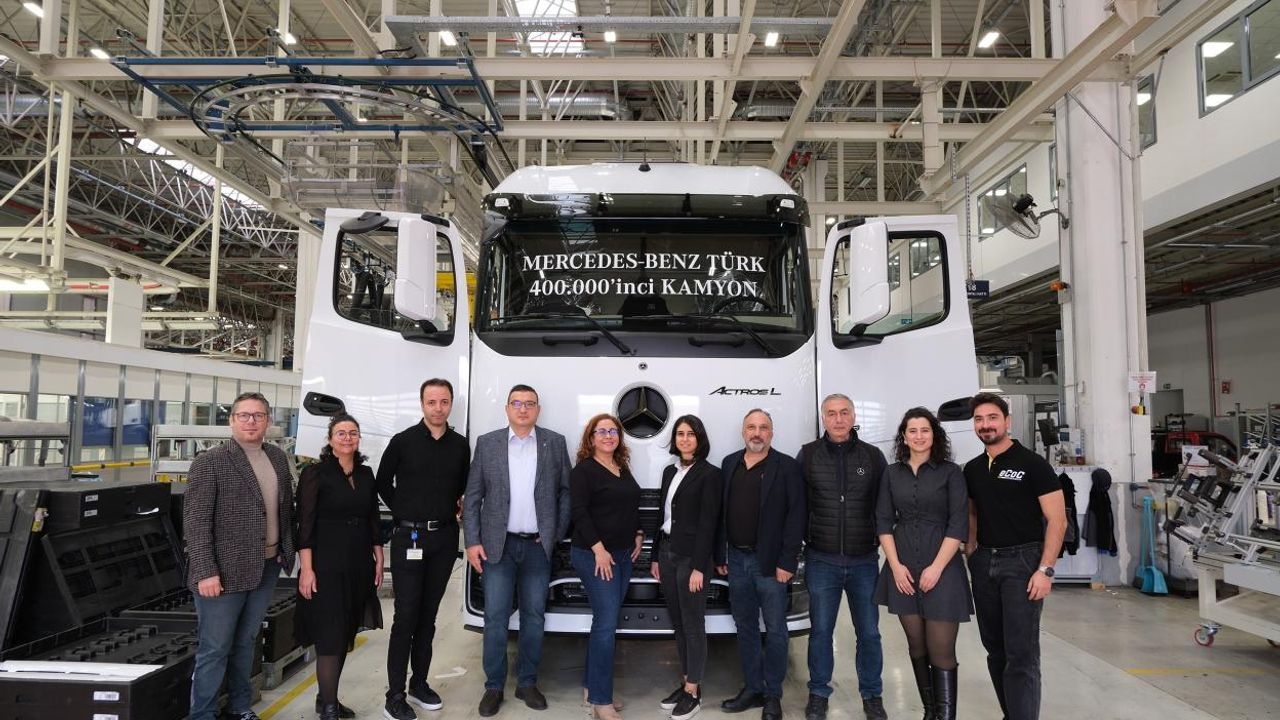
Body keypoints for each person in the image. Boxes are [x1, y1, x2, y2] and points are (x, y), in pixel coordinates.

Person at [463, 384, 572, 717]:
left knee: (534, 617)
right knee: (495, 618)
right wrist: (472, 541)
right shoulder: (488, 443)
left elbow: (566, 492)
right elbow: (473, 497)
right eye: (517, 403)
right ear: (507, 408)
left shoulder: (554, 443)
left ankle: (527, 682)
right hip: (498, 546)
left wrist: (555, 534)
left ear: (538, 409)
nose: (523, 409)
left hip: (538, 547)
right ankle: (494, 686)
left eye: (529, 404)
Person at [184, 392, 296, 720]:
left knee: (246, 641)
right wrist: (205, 570)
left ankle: (239, 707)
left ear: (268, 421)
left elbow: (283, 510)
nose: (251, 421)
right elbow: (196, 521)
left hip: (266, 566)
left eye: (258, 415)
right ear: (231, 420)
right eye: (244, 415)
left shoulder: (277, 458)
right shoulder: (211, 461)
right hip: (223, 571)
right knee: (215, 647)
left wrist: (285, 549)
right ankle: (202, 714)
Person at [964, 393, 1067, 720]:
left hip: (1022, 563)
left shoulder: (1033, 464)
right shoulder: (973, 469)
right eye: (979, 420)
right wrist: (971, 550)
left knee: (1021, 654)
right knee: (995, 650)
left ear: (1007, 421)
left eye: (992, 418)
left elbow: (1058, 520)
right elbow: (972, 514)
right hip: (985, 563)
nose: (986, 425)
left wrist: (1045, 569)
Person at [377, 378, 471, 720]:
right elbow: (381, 482)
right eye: (432, 402)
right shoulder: (402, 441)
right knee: (406, 617)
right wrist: (405, 510)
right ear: (422, 404)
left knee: (428, 617)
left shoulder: (460, 446)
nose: (438, 408)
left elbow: (463, 486)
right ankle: (394, 695)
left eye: (444, 402)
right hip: (408, 539)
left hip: (443, 540)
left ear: (450, 405)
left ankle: (419, 683)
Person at [874, 408, 973, 720]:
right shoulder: (892, 473)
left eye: (925, 430)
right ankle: (930, 712)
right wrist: (895, 566)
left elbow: (958, 524)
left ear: (934, 435)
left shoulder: (951, 472)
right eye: (912, 431)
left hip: (942, 568)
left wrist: (936, 568)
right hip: (903, 568)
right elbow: (883, 521)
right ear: (904, 436)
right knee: (917, 646)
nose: (919, 436)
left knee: (941, 650)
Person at [800, 394, 889, 720]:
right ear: (823, 418)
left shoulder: (873, 456)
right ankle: (818, 693)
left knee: (869, 633)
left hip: (864, 560)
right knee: (821, 632)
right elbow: (799, 505)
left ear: (853, 416)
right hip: (821, 560)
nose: (838, 419)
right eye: (831, 413)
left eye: (844, 413)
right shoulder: (808, 455)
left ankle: (872, 695)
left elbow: (883, 506)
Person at [716, 409, 804, 720]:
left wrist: (787, 560)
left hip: (771, 563)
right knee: (746, 627)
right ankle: (753, 688)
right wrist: (721, 555)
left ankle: (773, 695)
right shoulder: (729, 463)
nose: (757, 433)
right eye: (751, 427)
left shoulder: (787, 467)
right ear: (743, 432)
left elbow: (796, 516)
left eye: (763, 427)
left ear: (771, 433)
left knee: (777, 630)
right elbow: (721, 513)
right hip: (736, 560)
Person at [295, 413, 384, 720]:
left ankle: (326, 697)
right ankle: (329, 710)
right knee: (331, 634)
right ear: (330, 439)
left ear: (359, 438)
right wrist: (307, 569)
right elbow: (305, 525)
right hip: (326, 564)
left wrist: (378, 556)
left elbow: (373, 517)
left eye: (353, 433)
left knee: (345, 630)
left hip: (358, 562)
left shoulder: (366, 473)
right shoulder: (315, 473)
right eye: (341, 433)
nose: (347, 438)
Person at [569, 414, 643, 720]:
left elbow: (630, 504)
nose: (608, 436)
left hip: (623, 555)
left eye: (613, 431)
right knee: (606, 625)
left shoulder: (621, 467)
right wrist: (598, 549)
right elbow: (579, 513)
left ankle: (591, 688)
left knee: (603, 622)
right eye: (602, 431)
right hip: (594, 556)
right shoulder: (583, 471)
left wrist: (638, 532)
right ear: (591, 437)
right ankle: (601, 701)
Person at [652, 415, 722, 720]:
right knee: (679, 624)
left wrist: (699, 567)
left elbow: (709, 524)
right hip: (667, 553)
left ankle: (693, 691)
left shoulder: (710, 474)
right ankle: (686, 682)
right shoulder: (670, 471)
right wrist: (655, 556)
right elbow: (662, 516)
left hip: (692, 559)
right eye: (680, 433)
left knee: (693, 625)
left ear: (700, 438)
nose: (684, 438)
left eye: (690, 434)